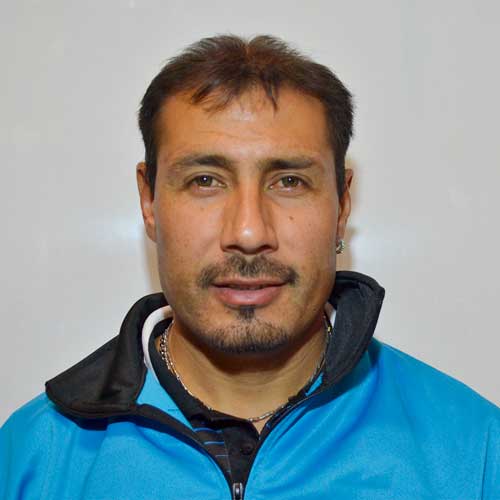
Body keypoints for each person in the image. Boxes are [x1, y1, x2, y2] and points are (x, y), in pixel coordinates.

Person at [1, 34, 498, 500]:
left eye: (289, 182)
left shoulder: (474, 453)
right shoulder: (30, 457)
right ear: (149, 202)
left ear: (342, 205)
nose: (248, 231)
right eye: (204, 180)